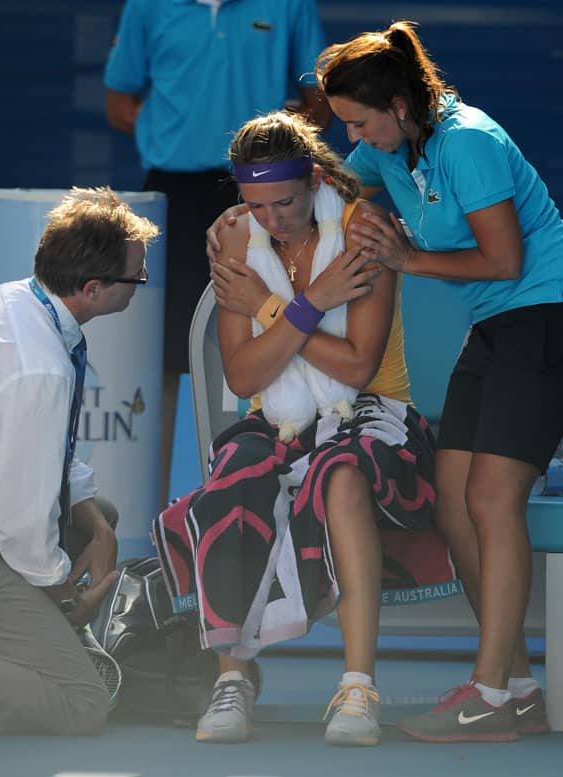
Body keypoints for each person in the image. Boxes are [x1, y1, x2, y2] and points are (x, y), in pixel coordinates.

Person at [153, 110, 457, 746]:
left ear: (315, 178)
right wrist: (313, 300)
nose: (273, 220)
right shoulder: (234, 236)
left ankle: (356, 687)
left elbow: (356, 366)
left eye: (285, 202)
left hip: (375, 413)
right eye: (255, 205)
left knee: (342, 475)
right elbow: (242, 377)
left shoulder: (363, 233)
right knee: (234, 476)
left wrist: (269, 310)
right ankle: (231, 681)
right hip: (276, 419)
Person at [308, 20, 563, 742]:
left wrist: (405, 260)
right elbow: (329, 180)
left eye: (360, 120)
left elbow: (505, 260)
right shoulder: (392, 147)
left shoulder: (469, 140)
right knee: (452, 503)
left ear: (397, 104)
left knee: (491, 496)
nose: (355, 135)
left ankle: (486, 692)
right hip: (494, 329)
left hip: (545, 315)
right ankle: (514, 689)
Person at [103, 0, 332, 509]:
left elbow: (320, 102)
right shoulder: (148, 6)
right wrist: (178, 129)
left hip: (262, 186)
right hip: (173, 196)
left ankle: (260, 514)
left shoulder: (289, 4)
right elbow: (118, 104)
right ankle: (155, 525)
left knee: (269, 349)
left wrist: (280, 134)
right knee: (160, 361)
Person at [0, 187, 159, 735]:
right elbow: (16, 516)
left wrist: (99, 529)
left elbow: (50, 457)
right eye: (138, 276)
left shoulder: (12, 300)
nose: (142, 284)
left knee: (97, 512)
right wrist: (63, 595)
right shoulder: (40, 368)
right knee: (81, 701)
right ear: (93, 288)